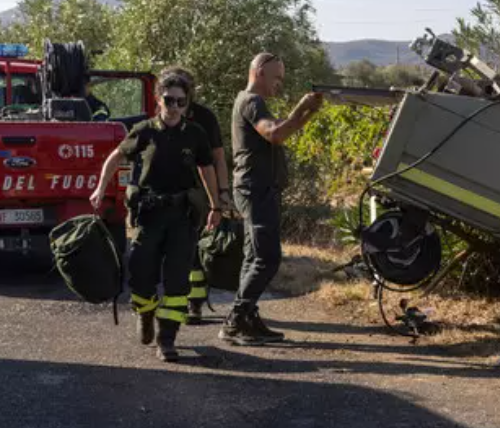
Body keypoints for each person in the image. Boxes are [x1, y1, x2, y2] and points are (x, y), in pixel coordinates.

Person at [90, 72, 222, 362]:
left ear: (187, 103)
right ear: (158, 99)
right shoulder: (144, 131)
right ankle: (145, 313)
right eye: (169, 100)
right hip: (149, 216)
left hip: (182, 217)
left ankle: (167, 338)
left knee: (177, 281)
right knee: (140, 273)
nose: (174, 106)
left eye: (180, 101)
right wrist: (100, 188)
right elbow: (116, 156)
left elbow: (207, 169)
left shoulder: (195, 134)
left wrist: (216, 206)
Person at [219, 52, 324, 346]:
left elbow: (281, 132)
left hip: (260, 190)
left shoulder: (251, 102)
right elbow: (275, 134)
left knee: (253, 256)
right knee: (267, 258)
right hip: (256, 190)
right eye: (276, 77)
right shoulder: (252, 102)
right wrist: (301, 107)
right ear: (259, 72)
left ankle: (248, 316)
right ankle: (237, 320)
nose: (279, 84)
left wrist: (308, 113)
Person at [157, 66, 234, 324]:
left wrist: (222, 194)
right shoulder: (161, 114)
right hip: (166, 193)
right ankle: (179, 300)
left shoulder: (204, 118)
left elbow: (218, 159)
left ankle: (194, 303)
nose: (175, 102)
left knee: (192, 249)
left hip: (198, 194)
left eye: (183, 93)